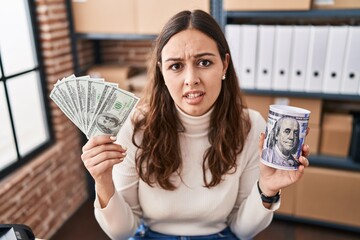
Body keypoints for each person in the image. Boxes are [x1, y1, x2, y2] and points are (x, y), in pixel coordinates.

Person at [81, 10, 310, 240]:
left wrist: (267, 189)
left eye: (204, 62)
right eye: (176, 66)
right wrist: (102, 181)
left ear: (224, 65)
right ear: (161, 71)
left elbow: (242, 230)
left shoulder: (250, 126)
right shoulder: (135, 127)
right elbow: (123, 233)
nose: (191, 79)